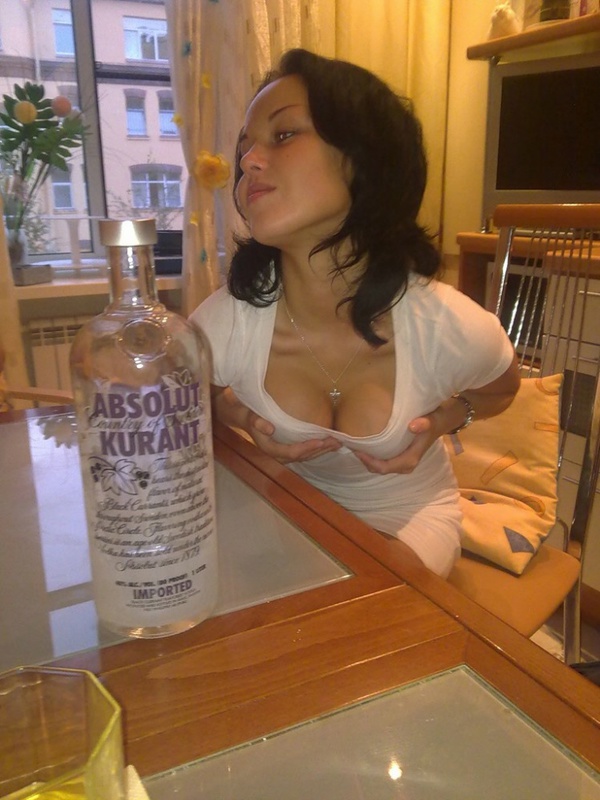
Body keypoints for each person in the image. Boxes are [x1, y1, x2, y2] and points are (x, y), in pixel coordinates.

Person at [189, 48, 520, 578]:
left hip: (409, 517)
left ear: (365, 157)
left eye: (283, 134)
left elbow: (501, 390)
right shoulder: (224, 324)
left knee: (371, 610)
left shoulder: (447, 324)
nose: (248, 161)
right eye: (246, 146)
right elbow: (184, 411)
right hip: (287, 507)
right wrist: (237, 416)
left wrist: (447, 419)